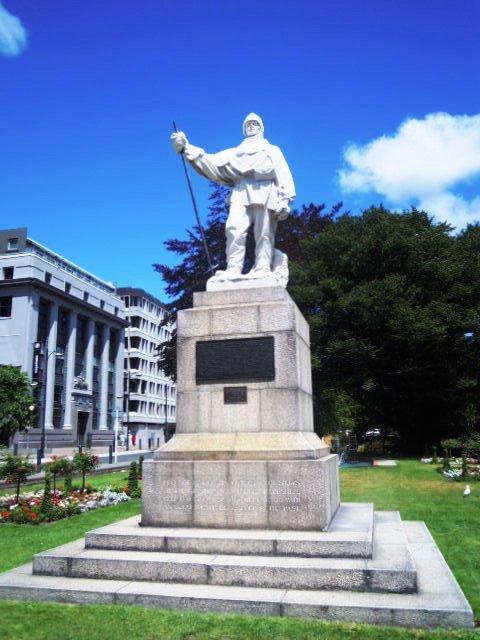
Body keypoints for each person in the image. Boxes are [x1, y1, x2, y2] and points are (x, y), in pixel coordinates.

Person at [171, 113, 295, 283]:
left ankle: (263, 268)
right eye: (248, 124)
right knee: (233, 228)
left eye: (255, 123)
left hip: (266, 190)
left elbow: (283, 173)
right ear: (244, 129)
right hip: (241, 190)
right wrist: (185, 147)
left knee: (264, 232)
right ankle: (233, 268)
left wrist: (285, 199)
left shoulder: (272, 150)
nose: (251, 126)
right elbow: (211, 162)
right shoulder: (235, 154)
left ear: (261, 128)